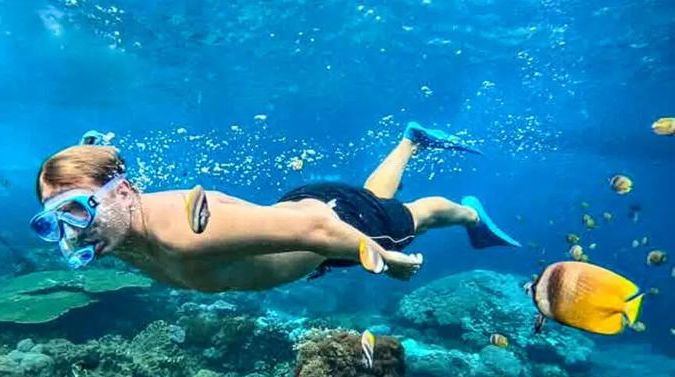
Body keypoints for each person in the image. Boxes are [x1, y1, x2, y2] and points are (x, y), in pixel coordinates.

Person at [31, 122, 519, 292]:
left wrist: (383, 261)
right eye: (54, 223)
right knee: (380, 199)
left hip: (332, 224)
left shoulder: (181, 228)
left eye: (75, 211)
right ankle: (410, 142)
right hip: (305, 222)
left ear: (122, 190)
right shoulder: (119, 233)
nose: (72, 235)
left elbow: (314, 226)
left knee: (415, 219)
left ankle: (471, 214)